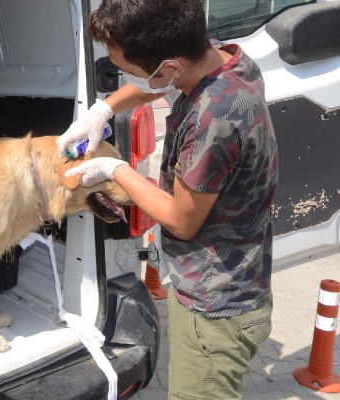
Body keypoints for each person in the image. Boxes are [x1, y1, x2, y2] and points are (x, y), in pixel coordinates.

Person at [57, 0, 278, 399]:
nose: (127, 79)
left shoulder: (216, 116)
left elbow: (180, 220)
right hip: (236, 281)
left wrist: (114, 170)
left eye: (130, 71)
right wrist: (103, 109)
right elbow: (152, 84)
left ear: (171, 68)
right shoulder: (224, 59)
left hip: (215, 309)